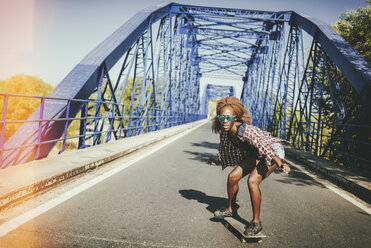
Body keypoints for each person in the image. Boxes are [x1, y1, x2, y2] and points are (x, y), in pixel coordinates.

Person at [208, 96, 290, 235]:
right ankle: (231, 209)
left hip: (273, 150)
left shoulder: (246, 130)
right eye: (222, 118)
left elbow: (264, 147)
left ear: (235, 117)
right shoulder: (225, 132)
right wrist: (218, 161)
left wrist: (280, 164)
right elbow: (225, 149)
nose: (225, 121)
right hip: (257, 153)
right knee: (232, 177)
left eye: (228, 117)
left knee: (252, 181)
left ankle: (256, 222)